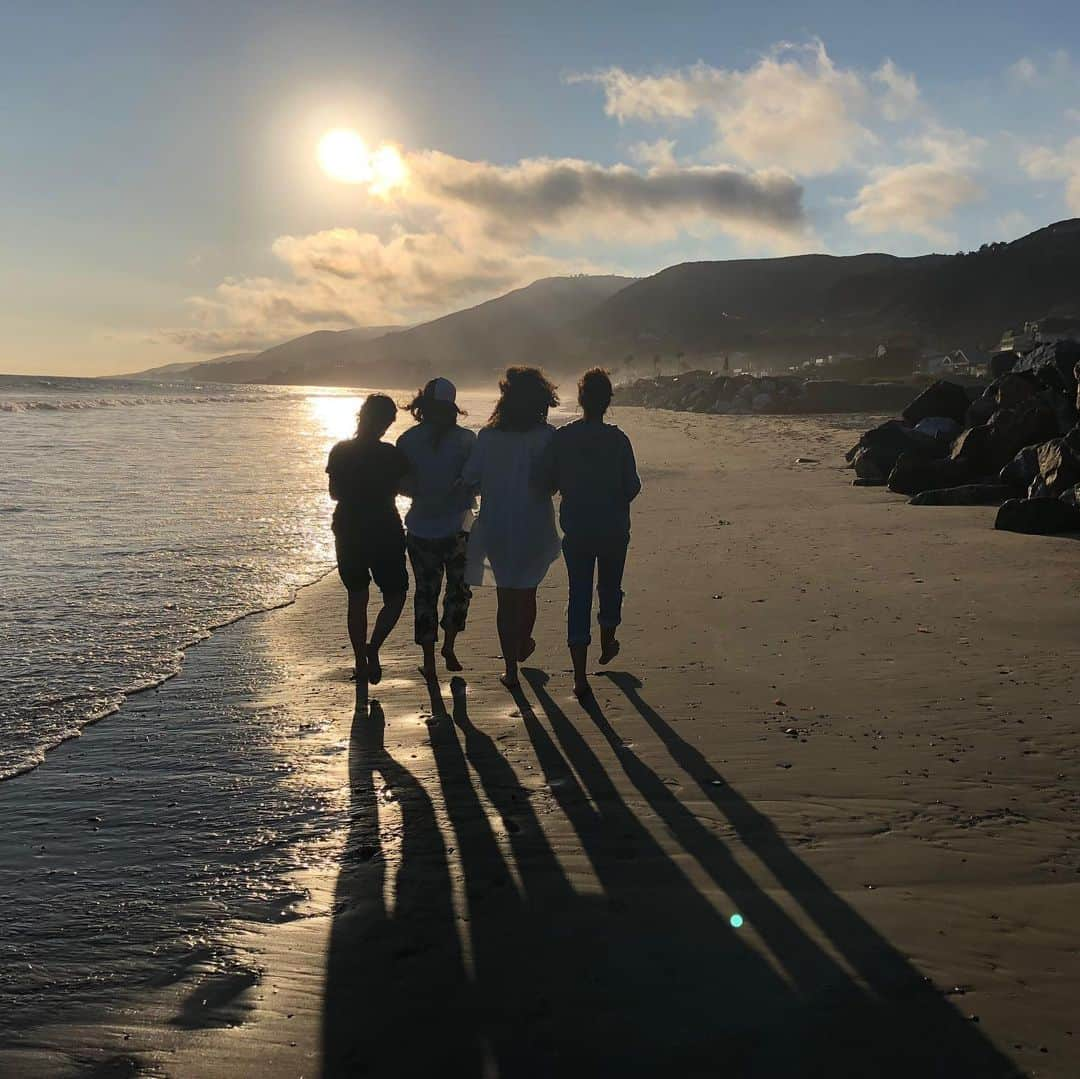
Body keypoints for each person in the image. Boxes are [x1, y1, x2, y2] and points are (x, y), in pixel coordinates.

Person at [536, 368, 641, 699]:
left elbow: (549, 483)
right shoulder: (619, 439)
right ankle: (608, 639)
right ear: (608, 402)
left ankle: (580, 677)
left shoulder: (562, 438)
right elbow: (632, 487)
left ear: (580, 400)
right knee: (610, 588)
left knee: (578, 595)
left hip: (577, 529)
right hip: (613, 528)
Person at [463, 366, 560, 689]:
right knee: (527, 592)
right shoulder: (546, 437)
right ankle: (523, 643)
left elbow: (471, 480)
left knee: (506, 600)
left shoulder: (487, 437)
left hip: (498, 525)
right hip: (534, 524)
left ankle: (511, 669)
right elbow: (554, 482)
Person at [326, 393, 410, 687]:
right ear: (387, 423)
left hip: (349, 527)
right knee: (396, 595)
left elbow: (334, 493)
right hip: (385, 528)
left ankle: (361, 661)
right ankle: (373, 648)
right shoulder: (391, 455)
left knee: (357, 597)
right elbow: (404, 488)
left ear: (360, 416)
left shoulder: (340, 450)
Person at [396, 377, 477, 680]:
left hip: (419, 529)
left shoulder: (407, 440)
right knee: (459, 591)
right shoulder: (468, 441)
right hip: (459, 529)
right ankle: (449, 646)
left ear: (423, 406)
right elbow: (478, 482)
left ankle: (429, 660)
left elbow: (400, 485)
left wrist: (422, 491)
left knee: (425, 594)